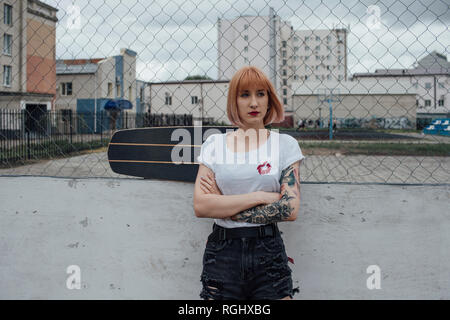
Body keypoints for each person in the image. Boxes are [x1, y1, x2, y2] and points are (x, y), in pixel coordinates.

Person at [193, 66, 305, 300]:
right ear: (234, 101)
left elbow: (289, 209)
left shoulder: (285, 144)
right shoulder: (215, 145)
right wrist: (260, 197)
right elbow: (202, 206)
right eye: (245, 95)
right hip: (223, 255)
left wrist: (225, 207)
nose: (254, 103)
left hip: (268, 252)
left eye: (260, 94)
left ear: (269, 99)